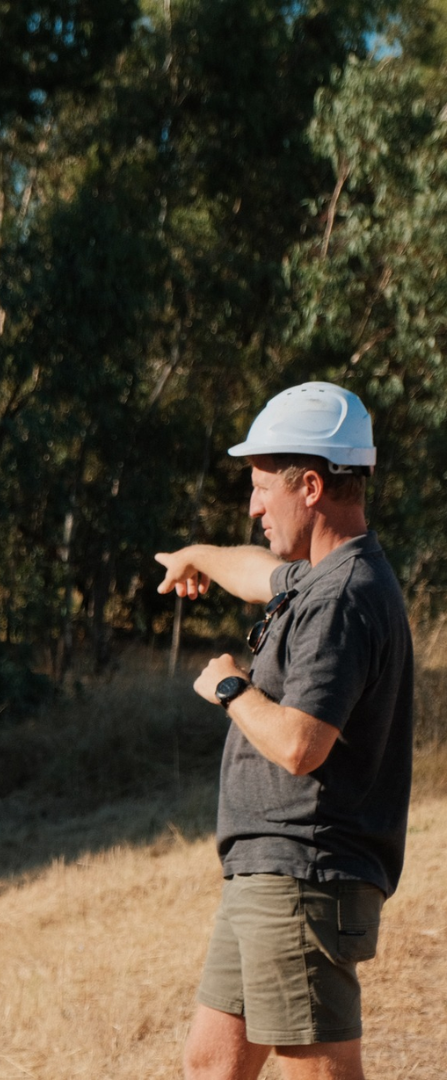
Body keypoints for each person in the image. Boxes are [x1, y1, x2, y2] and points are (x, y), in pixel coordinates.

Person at [155, 381, 412, 1080]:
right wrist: (196, 556)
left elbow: (302, 745)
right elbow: (261, 571)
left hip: (305, 874)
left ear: (310, 485)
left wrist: (231, 687)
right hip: (270, 873)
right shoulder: (323, 578)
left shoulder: (341, 598)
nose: (252, 504)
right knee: (211, 1065)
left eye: (262, 486)